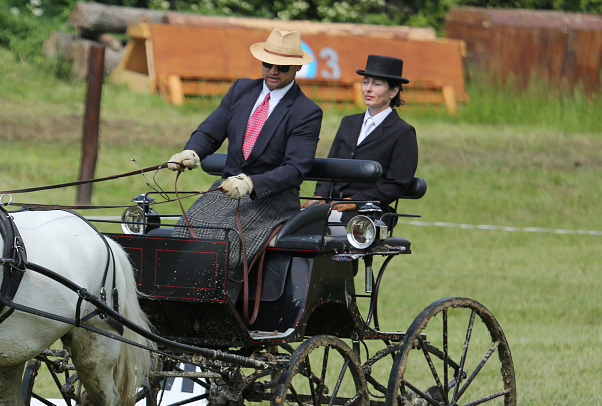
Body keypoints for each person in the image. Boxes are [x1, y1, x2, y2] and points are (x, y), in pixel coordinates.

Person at [166, 27, 323, 302]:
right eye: (267, 64)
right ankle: (178, 305)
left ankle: (219, 311)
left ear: (297, 67)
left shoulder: (306, 112)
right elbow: (211, 130)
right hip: (226, 189)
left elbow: (296, 169)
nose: (273, 71)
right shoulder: (241, 89)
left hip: (272, 198)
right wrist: (191, 152)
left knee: (225, 240)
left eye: (282, 67)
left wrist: (251, 183)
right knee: (183, 230)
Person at [313, 55, 418, 210]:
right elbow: (330, 165)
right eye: (365, 82)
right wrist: (320, 197)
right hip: (331, 206)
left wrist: (356, 201)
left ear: (393, 91)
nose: (368, 89)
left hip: (368, 212)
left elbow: (396, 184)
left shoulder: (403, 132)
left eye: (376, 84)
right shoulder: (348, 122)